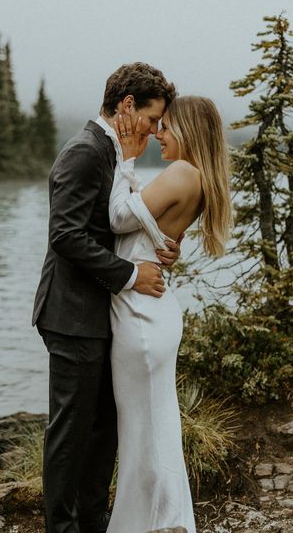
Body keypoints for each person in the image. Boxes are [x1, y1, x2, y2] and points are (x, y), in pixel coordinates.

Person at [32, 63, 179, 533]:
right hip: (71, 313)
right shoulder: (84, 151)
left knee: (102, 431)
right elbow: (66, 236)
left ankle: (93, 522)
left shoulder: (114, 152)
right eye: (153, 118)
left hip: (99, 314)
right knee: (70, 434)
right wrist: (132, 274)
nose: (156, 131)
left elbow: (116, 222)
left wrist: (158, 244)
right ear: (127, 105)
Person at [106, 96, 232, 532]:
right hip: (151, 309)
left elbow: (119, 217)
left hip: (140, 314)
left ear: (189, 132)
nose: (158, 133)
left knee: (145, 432)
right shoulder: (197, 179)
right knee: (153, 426)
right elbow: (147, 229)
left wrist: (125, 157)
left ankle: (157, 524)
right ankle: (162, 520)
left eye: (167, 127)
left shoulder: (181, 172)